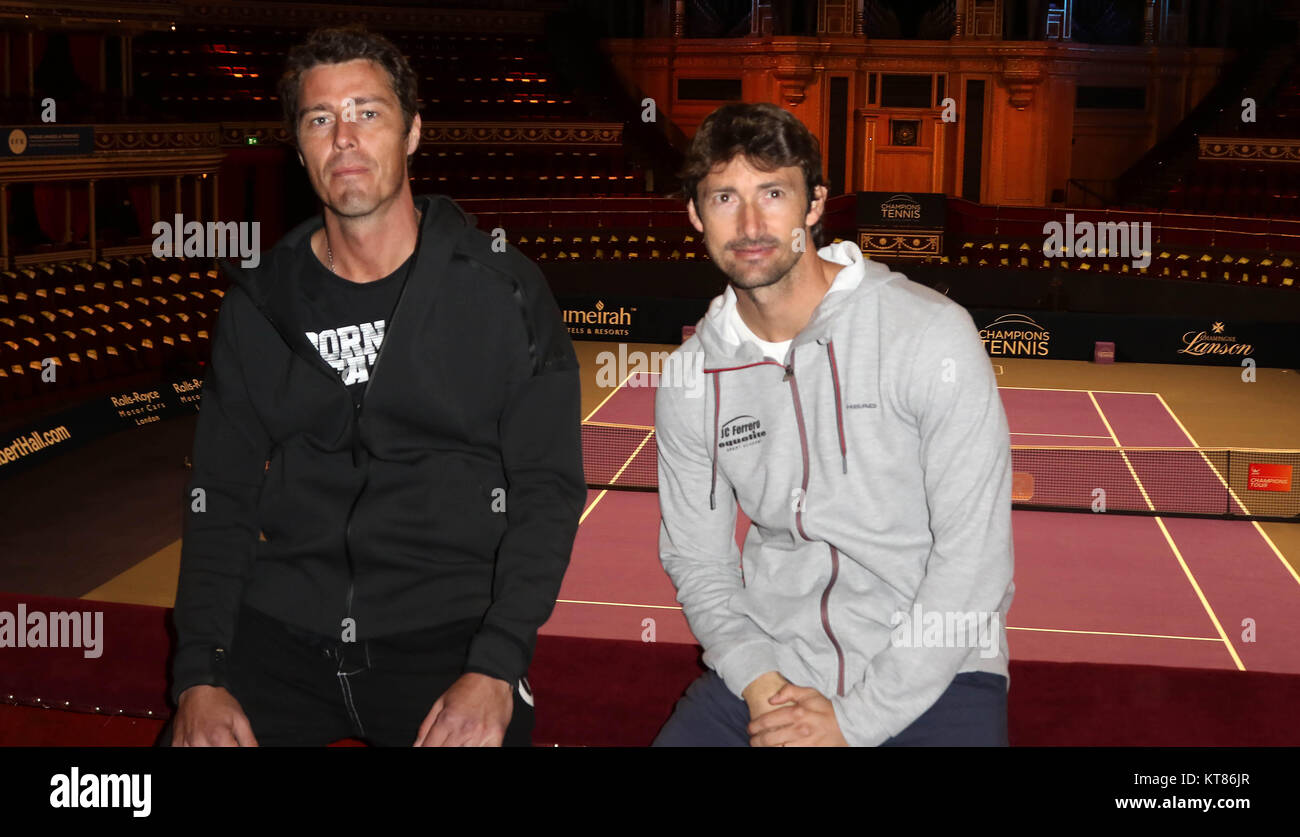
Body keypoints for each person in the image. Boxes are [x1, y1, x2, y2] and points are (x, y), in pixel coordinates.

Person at [165, 25, 584, 747]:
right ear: (299, 148)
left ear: (414, 132)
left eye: (368, 112)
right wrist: (199, 674)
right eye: (320, 119)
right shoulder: (259, 305)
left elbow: (547, 489)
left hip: (448, 635)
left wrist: (495, 663)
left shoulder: (503, 291)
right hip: (281, 632)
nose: (344, 138)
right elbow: (221, 498)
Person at [652, 102, 1015, 747]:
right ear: (695, 216)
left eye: (773, 193)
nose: (751, 223)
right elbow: (698, 561)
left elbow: (977, 562)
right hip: (772, 671)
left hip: (937, 672)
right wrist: (758, 678)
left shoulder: (929, 333)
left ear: (815, 206)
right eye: (723, 198)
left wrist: (856, 723)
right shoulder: (690, 379)